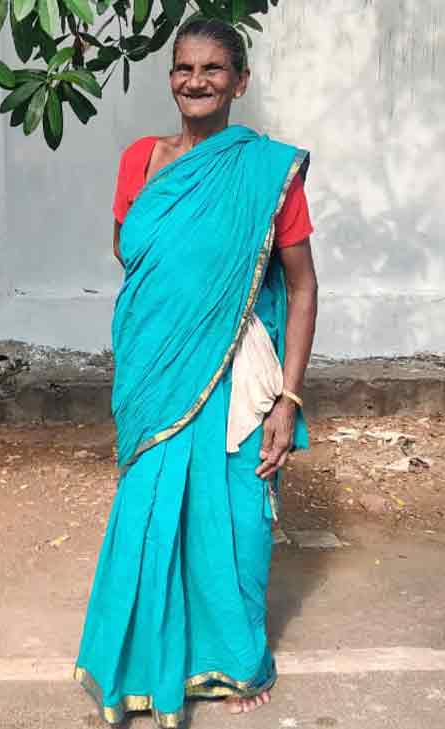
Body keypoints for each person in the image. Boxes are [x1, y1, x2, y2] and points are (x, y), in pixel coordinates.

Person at [73, 16, 319, 728]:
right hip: (154, 366)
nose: (196, 80)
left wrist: (288, 398)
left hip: (237, 370)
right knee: (150, 509)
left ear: (240, 82)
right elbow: (132, 250)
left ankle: (232, 660)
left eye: (213, 69)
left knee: (234, 516)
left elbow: (302, 286)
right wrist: (181, 306)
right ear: (171, 78)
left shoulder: (266, 173)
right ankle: (143, 667)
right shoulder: (140, 160)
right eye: (184, 68)